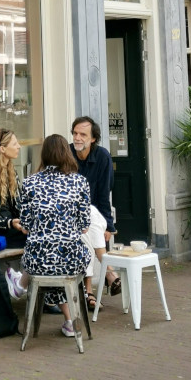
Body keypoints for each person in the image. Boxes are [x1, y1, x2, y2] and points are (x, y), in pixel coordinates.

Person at [5, 134, 91, 338]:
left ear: (44, 155)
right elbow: (85, 226)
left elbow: (25, 226)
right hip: (71, 259)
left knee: (48, 265)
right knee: (61, 264)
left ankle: (20, 285)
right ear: (66, 154)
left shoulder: (30, 183)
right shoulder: (80, 182)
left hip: (37, 262)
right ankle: (71, 322)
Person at [70, 116, 120, 308]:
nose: (77, 138)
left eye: (83, 134)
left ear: (93, 139)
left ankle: (89, 292)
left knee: (89, 224)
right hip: (68, 217)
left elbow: (103, 194)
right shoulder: (66, 154)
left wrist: (108, 225)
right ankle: (109, 273)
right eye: (75, 133)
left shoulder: (102, 157)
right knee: (87, 222)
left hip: (93, 217)